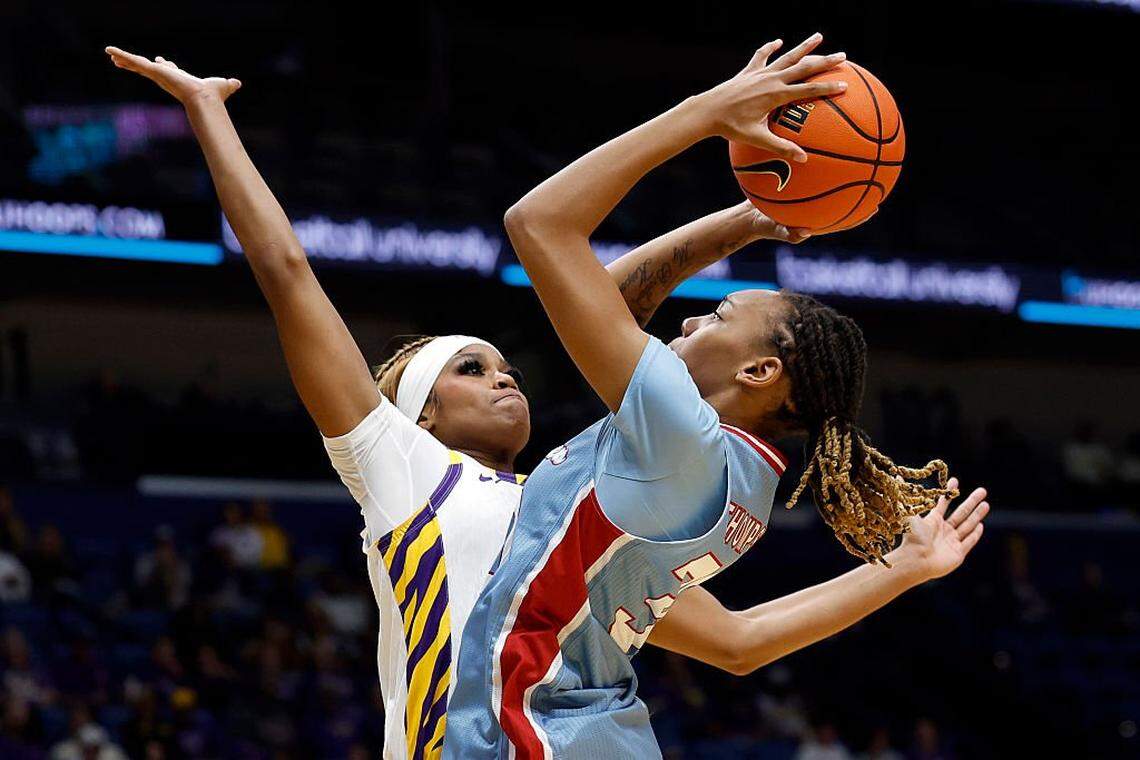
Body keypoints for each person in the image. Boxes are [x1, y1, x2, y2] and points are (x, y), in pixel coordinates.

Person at [103, 45, 809, 760]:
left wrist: (907, 566)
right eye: (472, 369)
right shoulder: (400, 465)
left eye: (508, 370)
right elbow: (285, 270)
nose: (506, 380)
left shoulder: (569, 517)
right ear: (423, 414)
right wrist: (206, 112)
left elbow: (733, 640)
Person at [444, 34, 990, 759]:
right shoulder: (735, 482)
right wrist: (753, 216)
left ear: (760, 373)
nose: (693, 317)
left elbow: (538, 224)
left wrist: (708, 113)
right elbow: (738, 642)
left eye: (722, 314)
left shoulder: (678, 438)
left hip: (543, 741)